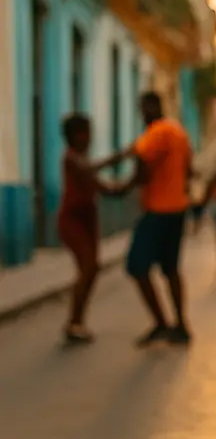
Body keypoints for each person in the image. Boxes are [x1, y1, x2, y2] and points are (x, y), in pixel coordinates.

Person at [123, 91, 193, 346]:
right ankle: (181, 325)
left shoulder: (158, 131)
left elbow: (140, 161)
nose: (142, 115)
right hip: (177, 209)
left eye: (143, 109)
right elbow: (189, 170)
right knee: (171, 268)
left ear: (151, 107)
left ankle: (162, 322)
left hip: (158, 210)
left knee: (136, 265)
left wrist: (122, 187)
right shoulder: (180, 133)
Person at [56, 114, 126, 344]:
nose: (88, 138)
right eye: (83, 133)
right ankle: (73, 322)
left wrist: (125, 186)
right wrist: (120, 157)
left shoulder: (83, 160)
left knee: (92, 269)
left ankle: (78, 321)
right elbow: (88, 172)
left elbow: (102, 187)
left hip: (89, 219)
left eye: (88, 132)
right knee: (87, 268)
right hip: (73, 220)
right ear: (72, 137)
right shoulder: (72, 159)